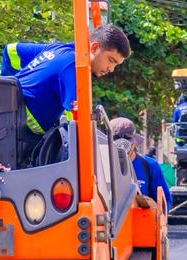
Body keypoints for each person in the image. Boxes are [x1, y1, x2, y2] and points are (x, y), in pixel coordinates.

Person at [8, 24, 131, 162]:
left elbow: (11, 50)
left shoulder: (58, 49)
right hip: (19, 134)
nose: (111, 69)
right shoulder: (73, 66)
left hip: (11, 122)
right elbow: (76, 118)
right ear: (94, 47)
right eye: (111, 60)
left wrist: (7, 87)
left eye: (116, 64)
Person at [110, 117, 171, 208]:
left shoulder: (149, 166)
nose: (123, 150)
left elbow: (165, 202)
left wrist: (153, 205)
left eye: (127, 145)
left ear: (134, 143)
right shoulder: (100, 166)